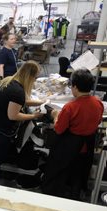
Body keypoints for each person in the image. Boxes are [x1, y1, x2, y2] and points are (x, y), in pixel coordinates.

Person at [41, 69, 103, 199]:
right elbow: (97, 121)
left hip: (70, 145)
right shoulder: (98, 103)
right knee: (79, 171)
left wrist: (55, 115)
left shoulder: (70, 107)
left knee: (59, 169)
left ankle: (56, 193)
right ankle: (76, 193)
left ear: (74, 87)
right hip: (87, 144)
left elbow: (59, 129)